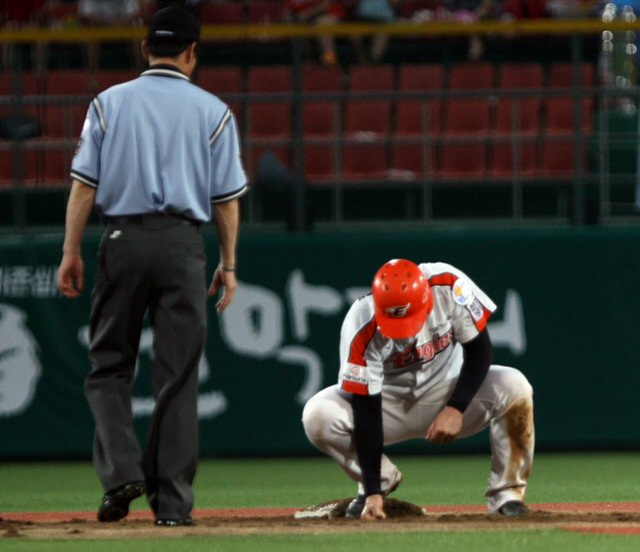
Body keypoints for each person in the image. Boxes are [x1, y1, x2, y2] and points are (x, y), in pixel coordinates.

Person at [57, 5, 248, 526]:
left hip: (121, 238)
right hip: (183, 244)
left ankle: (121, 475)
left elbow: (83, 186)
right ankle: (172, 507)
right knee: (179, 376)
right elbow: (226, 200)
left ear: (146, 50)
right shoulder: (214, 111)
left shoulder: (107, 103)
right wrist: (228, 264)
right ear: (192, 53)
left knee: (108, 367)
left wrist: (71, 251)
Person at [302, 259, 534, 520]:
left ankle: (508, 495)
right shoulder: (361, 322)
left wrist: (456, 407)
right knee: (317, 414)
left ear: (427, 300)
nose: (402, 333)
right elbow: (367, 410)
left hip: (448, 389)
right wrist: (372, 491)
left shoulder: (448, 285)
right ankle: (381, 478)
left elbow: (480, 351)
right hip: (388, 405)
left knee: (515, 385)